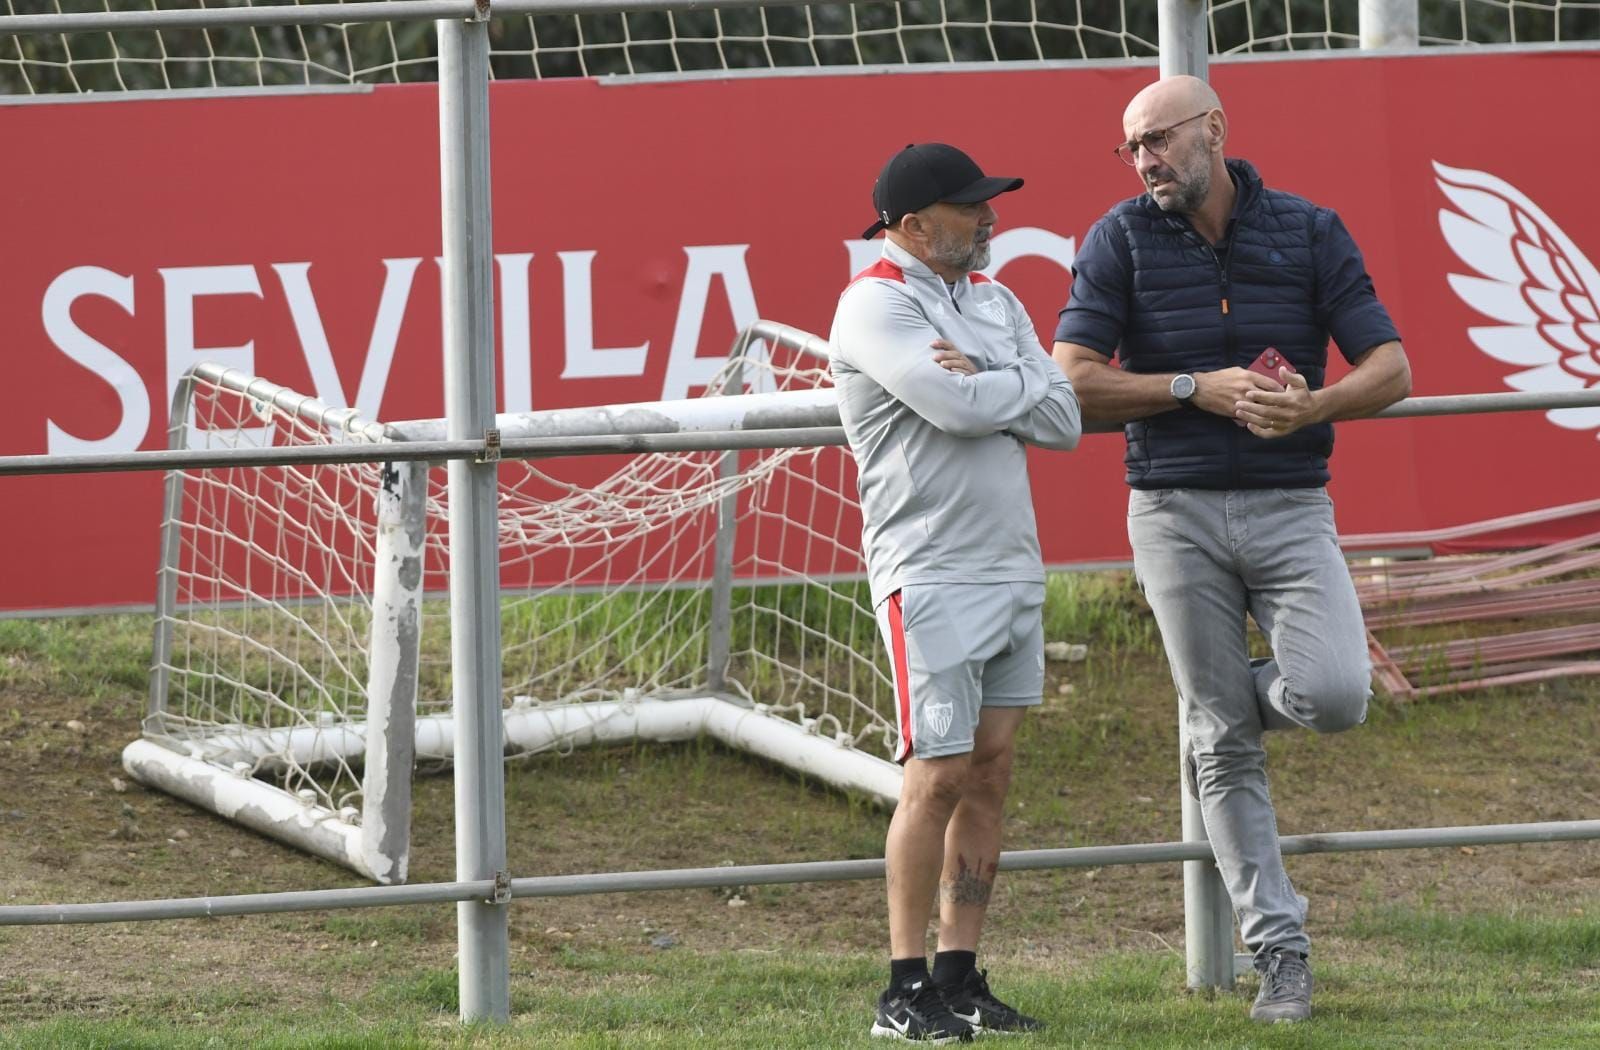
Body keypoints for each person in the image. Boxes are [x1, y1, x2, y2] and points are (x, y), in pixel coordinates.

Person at [1053, 75, 1411, 1023]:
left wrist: (1316, 405)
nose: (1144, 161)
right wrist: (1190, 388)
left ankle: (1213, 707)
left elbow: (1392, 367)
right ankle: (1279, 953)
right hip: (1170, 511)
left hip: (1292, 502)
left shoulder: (1310, 229)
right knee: (1222, 743)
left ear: (1213, 129)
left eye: (1158, 139)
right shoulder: (1117, 237)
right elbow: (1072, 382)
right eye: (1131, 148)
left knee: (1334, 696)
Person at [831, 142, 1081, 1043]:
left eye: (987, 203)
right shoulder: (873, 303)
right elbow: (961, 408)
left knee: (990, 772)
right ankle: (901, 992)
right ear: (911, 225)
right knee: (934, 777)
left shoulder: (995, 301)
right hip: (929, 572)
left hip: (1012, 567)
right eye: (970, 206)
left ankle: (958, 974)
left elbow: (1065, 418)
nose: (989, 217)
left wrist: (988, 374)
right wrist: (1008, 383)